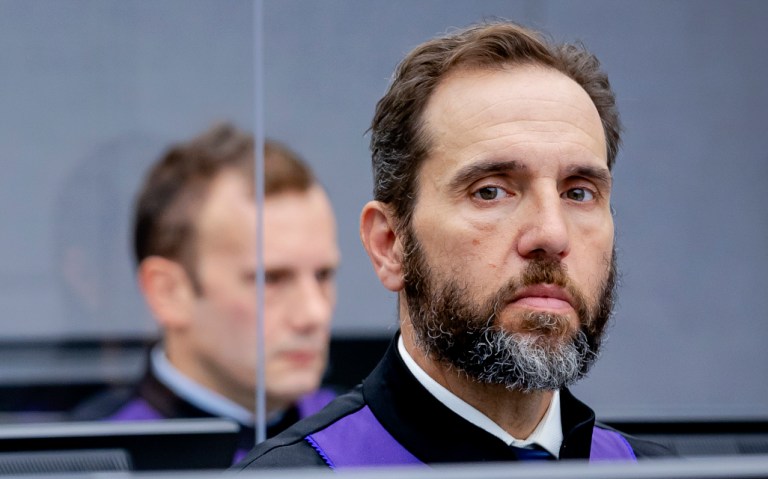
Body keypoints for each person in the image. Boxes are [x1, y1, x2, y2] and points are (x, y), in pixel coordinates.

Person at [236, 21, 672, 469]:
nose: (552, 234)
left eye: (578, 193)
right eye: (490, 191)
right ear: (390, 244)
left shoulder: (659, 472)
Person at [73, 123, 340, 462]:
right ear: (168, 292)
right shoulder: (93, 462)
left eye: (323, 275)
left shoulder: (367, 439)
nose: (314, 313)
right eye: (270, 279)